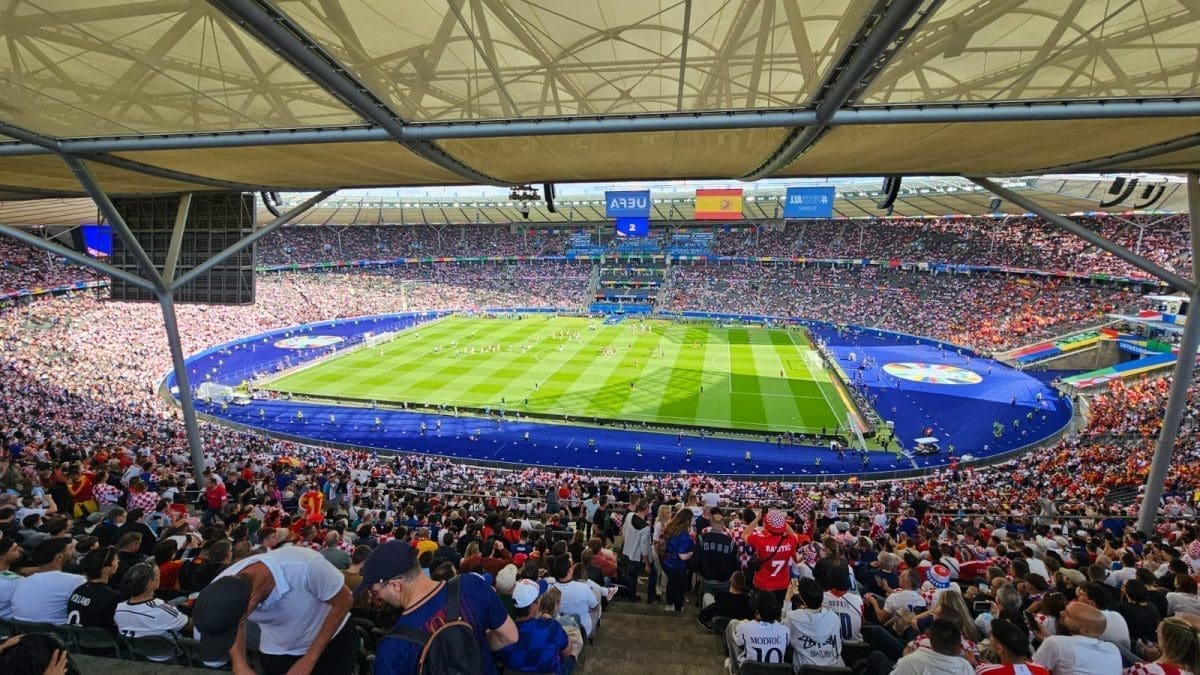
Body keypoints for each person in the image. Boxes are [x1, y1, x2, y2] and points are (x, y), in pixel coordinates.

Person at [357, 540, 517, 675]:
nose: (375, 598)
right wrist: (472, 645)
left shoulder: (390, 649)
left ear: (395, 586)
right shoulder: (474, 586)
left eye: (375, 591)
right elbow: (510, 636)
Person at [192, 544, 357, 674]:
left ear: (253, 601)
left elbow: (344, 601)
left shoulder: (305, 565)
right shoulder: (220, 588)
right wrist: (239, 664)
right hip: (278, 648)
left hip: (333, 641)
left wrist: (309, 659)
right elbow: (235, 621)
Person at [495, 579, 575, 674]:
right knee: (571, 659)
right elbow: (567, 652)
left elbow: (499, 663)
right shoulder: (551, 627)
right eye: (539, 598)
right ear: (533, 605)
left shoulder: (501, 634)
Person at [1032, 601, 1122, 675]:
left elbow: (1030, 671)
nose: (1061, 613)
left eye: (1068, 614)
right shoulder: (1113, 648)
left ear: (1085, 630)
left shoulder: (1054, 642)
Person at [10, 538, 84, 623]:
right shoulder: (76, 580)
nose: (72, 552)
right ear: (59, 557)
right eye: (69, 549)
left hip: (21, 633)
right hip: (59, 633)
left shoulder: (22, 582)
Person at [113, 562, 189, 641]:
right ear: (150, 583)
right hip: (170, 651)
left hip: (133, 651)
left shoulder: (119, 609)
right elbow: (190, 626)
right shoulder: (161, 609)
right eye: (158, 576)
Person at [785, 577, 844, 670]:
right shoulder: (835, 618)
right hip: (835, 670)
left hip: (806, 671)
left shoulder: (793, 617)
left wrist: (788, 597)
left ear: (802, 599)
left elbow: (781, 625)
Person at [743, 509, 799, 605]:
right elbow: (794, 534)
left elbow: (744, 534)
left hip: (763, 584)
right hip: (782, 585)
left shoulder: (759, 539)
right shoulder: (791, 540)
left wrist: (757, 518)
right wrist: (781, 521)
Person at [727, 590, 789, 673]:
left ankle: (734, 670)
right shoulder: (785, 630)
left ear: (757, 612)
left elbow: (737, 641)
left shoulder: (746, 627)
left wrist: (742, 624)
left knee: (733, 624)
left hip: (749, 671)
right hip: (775, 672)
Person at [891, 619, 975, 675]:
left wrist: (905, 657)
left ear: (930, 640)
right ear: (958, 647)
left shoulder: (913, 660)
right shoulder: (966, 666)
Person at [67, 545, 121, 631]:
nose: (118, 561)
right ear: (105, 569)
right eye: (115, 560)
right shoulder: (110, 597)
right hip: (96, 642)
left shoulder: (79, 590)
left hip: (75, 638)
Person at [1124, 615, 1200, 675]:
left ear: (1167, 642)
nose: (1156, 632)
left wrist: (1157, 661)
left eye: (1158, 633)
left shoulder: (1146, 670)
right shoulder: (1191, 670)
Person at [547, 555, 599, 637]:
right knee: (597, 596)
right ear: (569, 571)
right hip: (583, 630)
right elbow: (594, 607)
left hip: (559, 630)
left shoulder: (550, 590)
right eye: (571, 566)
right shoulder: (583, 587)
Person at [977, 617, 1050, 674]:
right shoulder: (1042, 670)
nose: (989, 639)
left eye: (990, 637)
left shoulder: (985, 671)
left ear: (1000, 647)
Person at [661, 508, 695, 613]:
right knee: (680, 587)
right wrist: (693, 552)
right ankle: (677, 607)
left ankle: (670, 604)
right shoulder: (684, 535)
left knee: (671, 584)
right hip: (678, 565)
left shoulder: (670, 528)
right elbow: (682, 556)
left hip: (667, 562)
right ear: (688, 520)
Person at [619, 498, 652, 602]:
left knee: (628, 575)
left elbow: (623, 530)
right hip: (635, 556)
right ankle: (632, 597)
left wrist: (627, 542)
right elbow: (644, 548)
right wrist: (647, 563)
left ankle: (628, 593)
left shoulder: (629, 515)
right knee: (633, 577)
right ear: (646, 509)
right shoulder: (645, 528)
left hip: (626, 551)